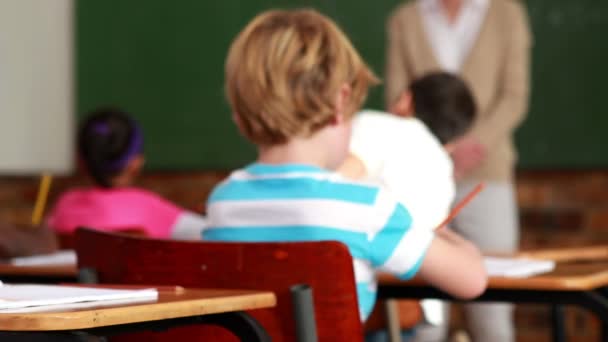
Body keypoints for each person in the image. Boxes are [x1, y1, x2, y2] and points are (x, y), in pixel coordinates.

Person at [203, 8, 487, 322]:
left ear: (238, 117)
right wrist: (454, 241)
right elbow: (472, 280)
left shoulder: (223, 203)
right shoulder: (365, 208)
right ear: (340, 104)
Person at [385, 0, 531, 341]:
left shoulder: (506, 13)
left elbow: (514, 96)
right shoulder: (405, 19)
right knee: (424, 318)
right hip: (418, 178)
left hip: (487, 174)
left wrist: (469, 147)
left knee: (492, 313)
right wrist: (437, 155)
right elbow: (398, 95)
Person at [340, 72, 476, 341]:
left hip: (363, 298)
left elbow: (336, 180)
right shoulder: (443, 165)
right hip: (414, 303)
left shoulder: (377, 125)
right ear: (452, 142)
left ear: (405, 99)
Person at [46, 108, 206, 240]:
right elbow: (212, 234)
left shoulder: (65, 205)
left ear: (81, 160)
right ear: (135, 163)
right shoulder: (147, 207)